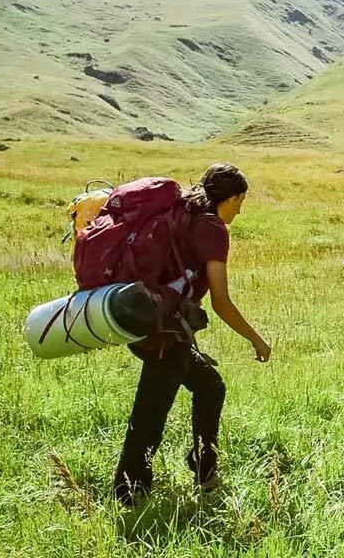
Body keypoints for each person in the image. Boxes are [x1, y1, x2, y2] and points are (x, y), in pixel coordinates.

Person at [114, 163, 271, 505]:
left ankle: (204, 465)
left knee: (210, 387)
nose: (241, 209)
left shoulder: (184, 210)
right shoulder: (213, 229)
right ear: (232, 197)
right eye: (241, 200)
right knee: (151, 412)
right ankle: (128, 490)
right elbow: (221, 302)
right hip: (166, 329)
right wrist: (256, 339)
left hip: (144, 314)